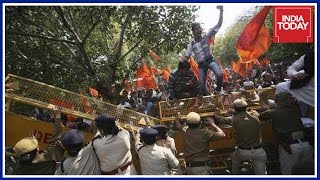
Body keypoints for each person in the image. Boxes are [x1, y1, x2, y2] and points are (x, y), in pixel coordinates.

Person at [260, 92, 314, 175]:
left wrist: (266, 106)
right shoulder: (295, 109)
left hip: (290, 147)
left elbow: (261, 116)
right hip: (306, 145)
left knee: (288, 173)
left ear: (279, 102)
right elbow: (283, 108)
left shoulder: (272, 112)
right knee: (307, 172)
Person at [213, 99, 267, 175]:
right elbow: (247, 113)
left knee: (235, 162)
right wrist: (236, 112)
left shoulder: (234, 119)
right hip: (259, 150)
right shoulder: (254, 114)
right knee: (261, 174)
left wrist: (216, 114)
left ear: (235, 108)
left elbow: (220, 119)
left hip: (243, 151)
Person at [182, 5, 224, 96]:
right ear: (193, 31)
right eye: (197, 28)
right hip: (201, 66)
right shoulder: (192, 44)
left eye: (200, 28)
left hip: (210, 61)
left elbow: (219, 25)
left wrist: (221, 11)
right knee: (201, 85)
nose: (199, 30)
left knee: (220, 75)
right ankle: (208, 99)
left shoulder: (206, 36)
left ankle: (218, 91)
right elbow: (187, 56)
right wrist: (181, 66)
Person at [13, 106, 64, 175]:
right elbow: (55, 140)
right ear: (37, 148)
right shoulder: (47, 159)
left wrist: (33, 142)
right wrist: (58, 116)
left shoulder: (17, 167)